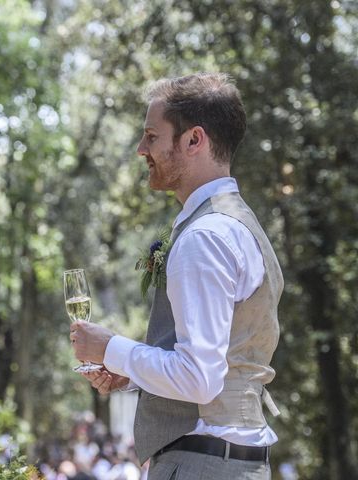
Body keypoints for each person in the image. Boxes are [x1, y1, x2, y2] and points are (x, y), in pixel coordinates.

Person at [70, 73, 282, 480]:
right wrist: (132, 372)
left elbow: (200, 380)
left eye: (151, 136)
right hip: (228, 459)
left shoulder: (205, 236)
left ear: (193, 140)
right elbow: (217, 363)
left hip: (202, 465)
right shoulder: (235, 223)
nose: (140, 149)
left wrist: (109, 347)